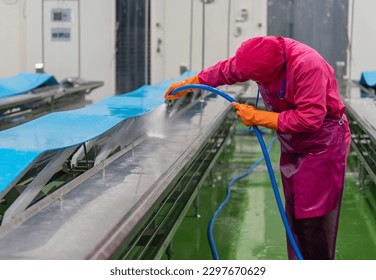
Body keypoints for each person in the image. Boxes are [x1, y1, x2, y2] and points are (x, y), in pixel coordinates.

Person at [164, 36, 351, 260]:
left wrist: (259, 117)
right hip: (294, 141)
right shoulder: (255, 58)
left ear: (277, 68)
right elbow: (227, 70)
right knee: (296, 211)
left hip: (323, 143)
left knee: (313, 217)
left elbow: (310, 119)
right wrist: (192, 82)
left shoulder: (308, 65)